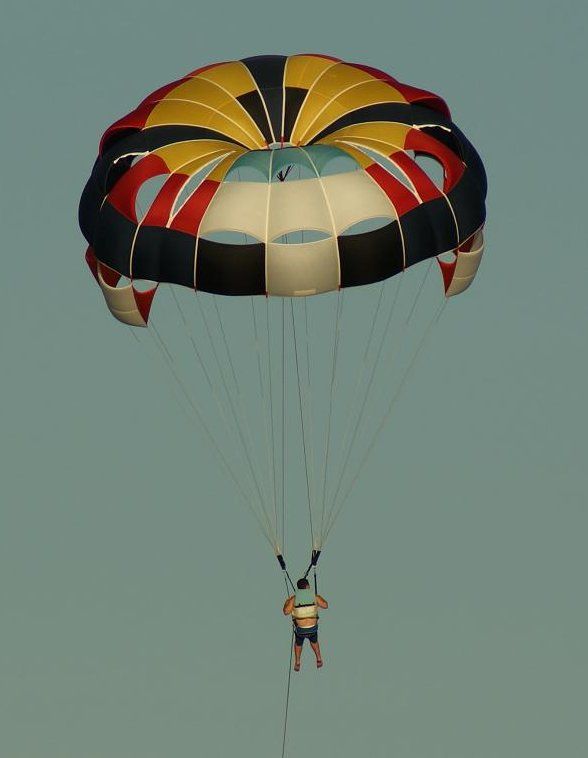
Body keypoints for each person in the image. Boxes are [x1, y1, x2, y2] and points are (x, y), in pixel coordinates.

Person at [283, 578, 328, 671]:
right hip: (312, 629)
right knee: (314, 641)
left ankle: (298, 661)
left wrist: (287, 601)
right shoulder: (314, 597)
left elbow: (286, 612)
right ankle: (319, 658)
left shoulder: (294, 599)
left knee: (298, 643)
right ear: (307, 586)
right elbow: (325, 605)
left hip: (301, 630)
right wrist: (318, 597)